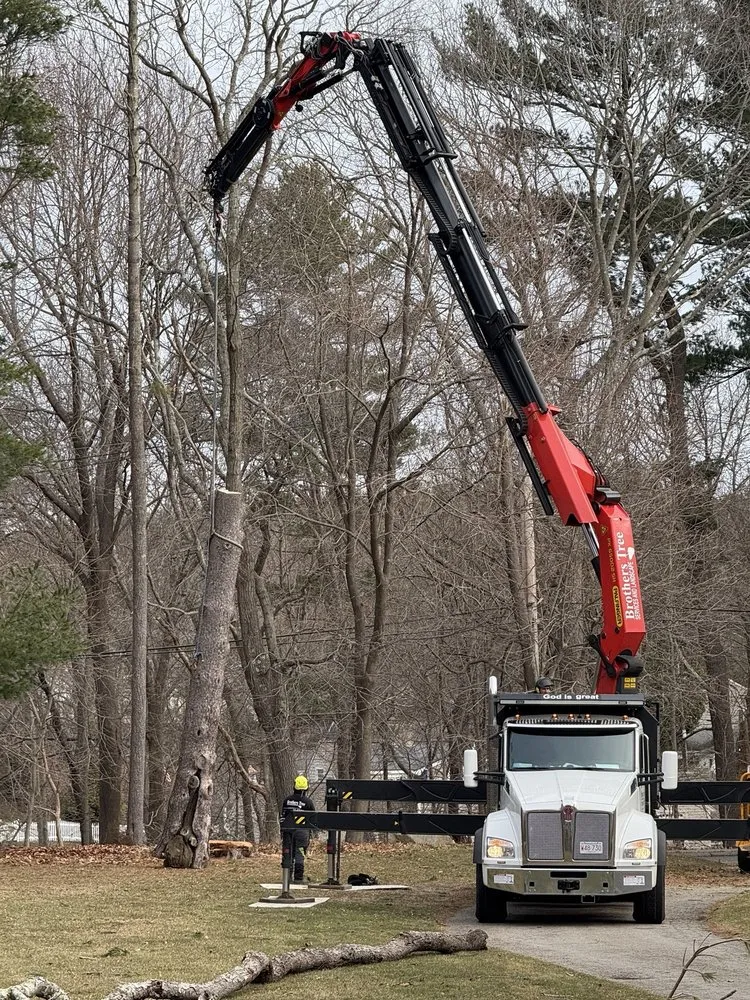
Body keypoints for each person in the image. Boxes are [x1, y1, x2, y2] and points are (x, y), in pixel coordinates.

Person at [282, 775, 315, 882]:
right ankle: (298, 878)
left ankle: (287, 877)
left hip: (288, 831)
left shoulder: (287, 800)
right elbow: (313, 819)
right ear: (306, 788)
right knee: (299, 854)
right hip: (302, 832)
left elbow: (282, 816)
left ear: (294, 786)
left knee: (288, 853)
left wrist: (282, 830)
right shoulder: (308, 802)